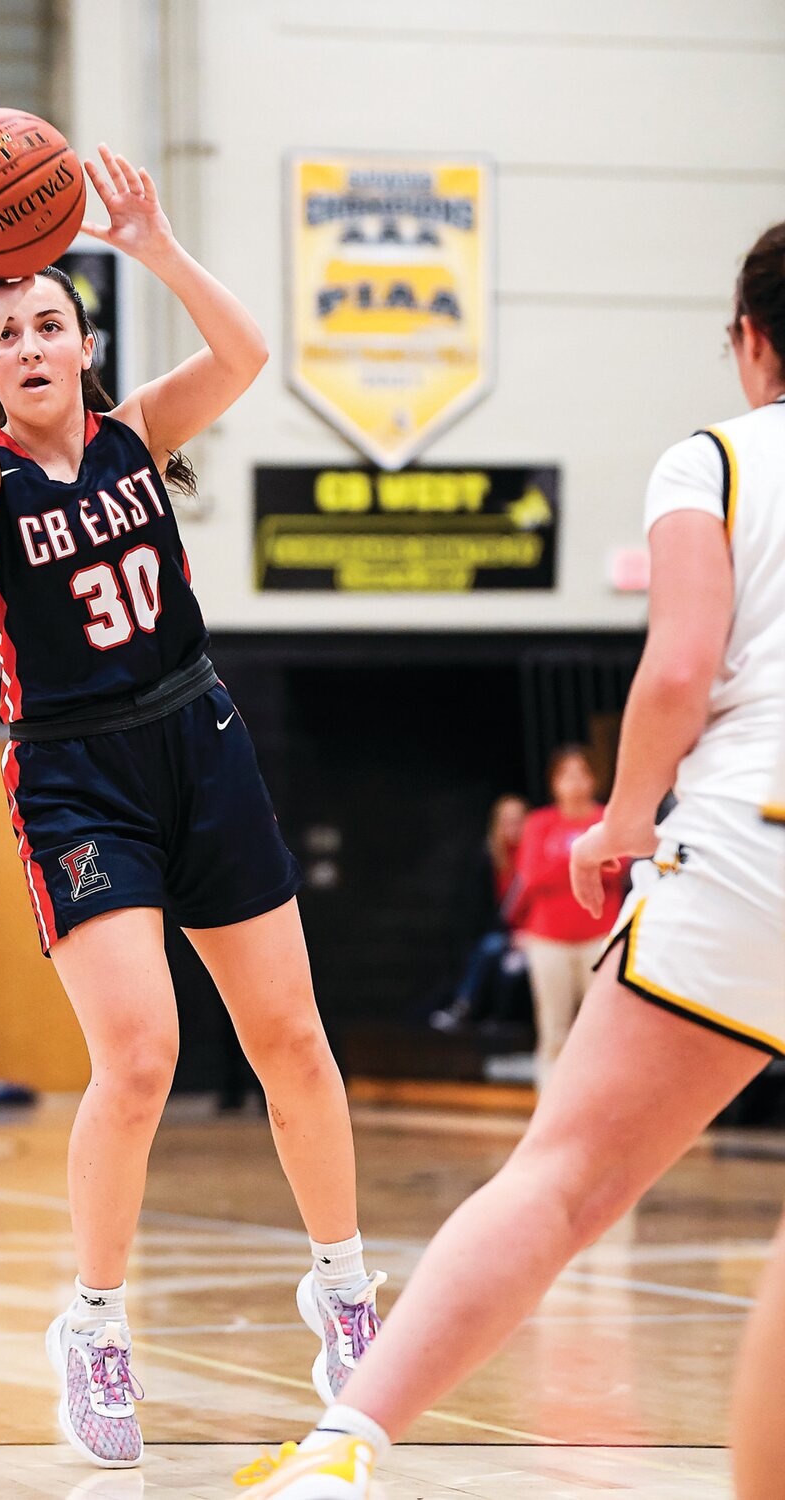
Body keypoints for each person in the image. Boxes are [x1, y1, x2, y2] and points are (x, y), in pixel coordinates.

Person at [231, 223, 785, 1499]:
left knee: (560, 1183)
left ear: (752, 340)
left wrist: (624, 815)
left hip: (751, 852)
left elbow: (684, 669)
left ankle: (341, 1454)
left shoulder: (714, 459)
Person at [0, 146, 383, 1469]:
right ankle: (96, 1322)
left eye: (51, 320)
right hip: (74, 777)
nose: (32, 341)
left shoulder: (132, 439)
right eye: (14, 331)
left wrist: (158, 242)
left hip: (200, 738)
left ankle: (344, 1292)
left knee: (290, 1035)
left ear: (85, 339)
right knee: (143, 1058)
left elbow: (246, 356)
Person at [506, 747, 627, 1085]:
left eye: (581, 773)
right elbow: (531, 875)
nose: (574, 783)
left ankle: (602, 1109)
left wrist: (567, 863)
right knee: (554, 1031)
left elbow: (619, 868)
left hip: (599, 937)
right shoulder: (539, 823)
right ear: (554, 783)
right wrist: (585, 861)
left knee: (603, 1032)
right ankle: (548, 1113)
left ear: (593, 778)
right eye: (566, 775)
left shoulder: (606, 819)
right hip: (548, 941)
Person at [430, 794, 528, 1033]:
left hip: (536, 933)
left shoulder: (532, 857)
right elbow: (481, 910)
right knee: (491, 948)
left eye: (518, 821)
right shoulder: (487, 858)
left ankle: (494, 1016)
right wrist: (511, 934)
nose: (513, 828)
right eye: (507, 822)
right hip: (503, 933)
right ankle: (465, 1006)